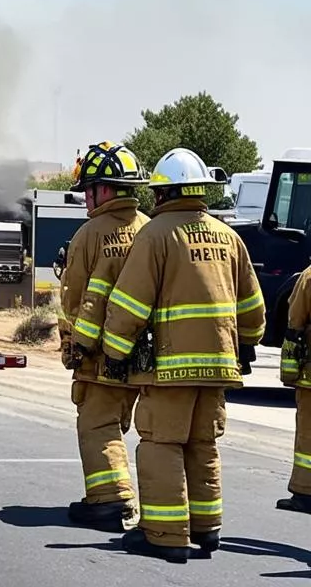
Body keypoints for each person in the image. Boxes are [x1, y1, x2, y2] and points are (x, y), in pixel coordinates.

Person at [101, 147, 265, 563]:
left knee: (161, 444)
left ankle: (165, 535)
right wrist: (245, 345)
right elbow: (253, 307)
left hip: (170, 367)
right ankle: (207, 529)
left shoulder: (155, 235)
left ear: (162, 194)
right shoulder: (229, 236)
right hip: (219, 366)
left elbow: (130, 304)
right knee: (203, 445)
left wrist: (115, 352)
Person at [58, 141, 150, 529]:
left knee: (97, 424)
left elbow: (73, 300)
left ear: (105, 190)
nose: (85, 200)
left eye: (88, 191)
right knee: (128, 423)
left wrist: (71, 346)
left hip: (97, 355)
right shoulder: (150, 229)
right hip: (146, 357)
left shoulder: (90, 234)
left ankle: (110, 500)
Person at [277, 262, 311, 513]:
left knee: (308, 437)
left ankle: (304, 492)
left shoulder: (309, 277)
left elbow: (295, 325)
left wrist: (289, 372)